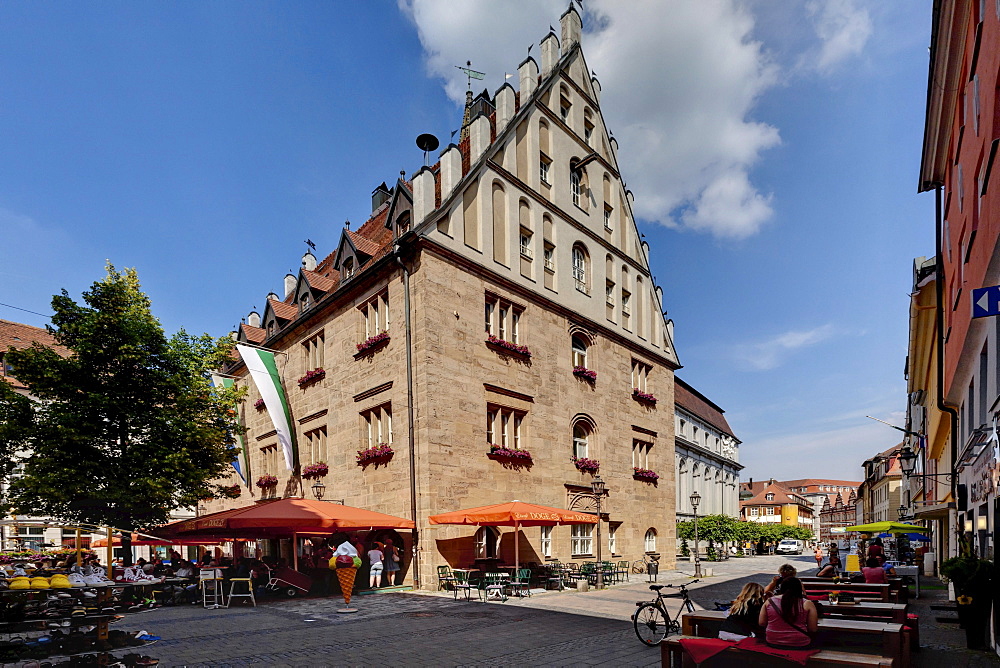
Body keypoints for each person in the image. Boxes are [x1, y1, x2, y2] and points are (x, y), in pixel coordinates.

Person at [758, 577, 818, 649]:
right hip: (799, 642)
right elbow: (813, 629)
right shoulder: (807, 603)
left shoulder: (770, 601)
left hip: (773, 641)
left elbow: (762, 623)